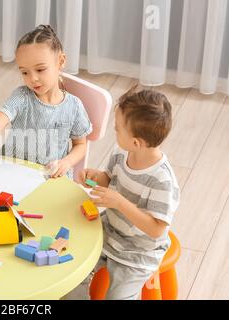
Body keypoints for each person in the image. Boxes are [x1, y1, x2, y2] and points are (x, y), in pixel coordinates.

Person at [0, 25, 92, 180]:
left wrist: (66, 162)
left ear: (60, 61)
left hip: (50, 179)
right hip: (10, 172)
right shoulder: (22, 97)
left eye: (40, 70)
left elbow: (80, 145)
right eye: (24, 72)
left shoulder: (74, 106)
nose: (32, 78)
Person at [76, 86, 180, 300]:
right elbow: (111, 178)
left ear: (136, 142)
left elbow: (156, 229)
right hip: (108, 232)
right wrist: (97, 177)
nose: (114, 132)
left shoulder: (162, 180)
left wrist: (120, 203)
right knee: (73, 272)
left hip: (138, 252)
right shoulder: (121, 154)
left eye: (117, 129)